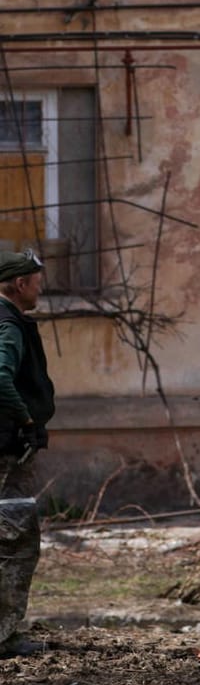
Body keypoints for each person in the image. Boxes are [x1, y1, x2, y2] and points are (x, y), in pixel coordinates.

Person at [0, 249, 51, 657]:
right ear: (20, 284)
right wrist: (27, 421)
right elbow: (0, 377)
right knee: (16, 541)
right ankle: (4, 634)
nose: (39, 287)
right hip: (6, 450)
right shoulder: (9, 324)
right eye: (35, 280)